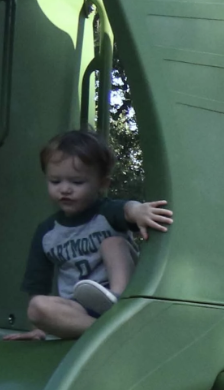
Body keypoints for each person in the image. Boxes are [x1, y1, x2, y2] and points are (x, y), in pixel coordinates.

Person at [9, 129, 172, 340]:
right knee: (36, 306)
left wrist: (138, 210)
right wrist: (40, 327)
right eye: (55, 182)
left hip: (121, 294)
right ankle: (105, 331)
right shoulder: (47, 232)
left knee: (112, 243)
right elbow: (37, 283)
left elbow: (126, 209)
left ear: (102, 184)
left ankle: (117, 300)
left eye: (77, 182)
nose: (65, 189)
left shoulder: (106, 212)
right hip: (78, 311)